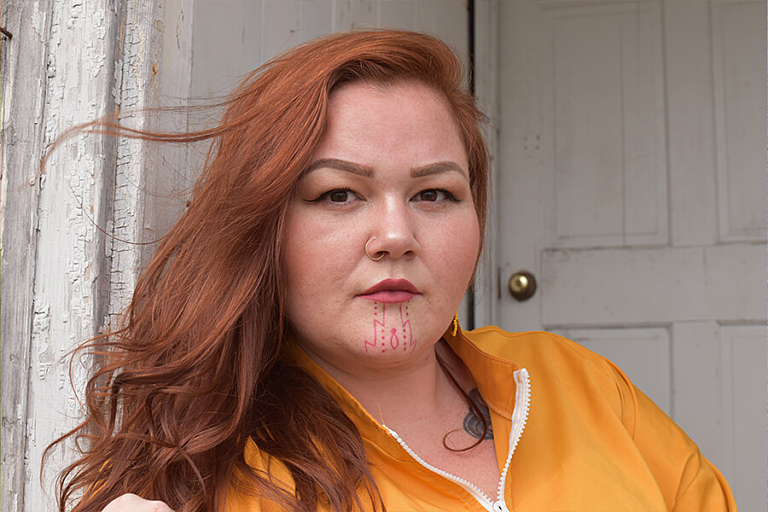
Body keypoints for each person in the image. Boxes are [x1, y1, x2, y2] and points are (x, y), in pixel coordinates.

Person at [47, 30, 736, 512]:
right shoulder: (214, 478)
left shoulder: (575, 381)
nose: (397, 236)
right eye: (338, 194)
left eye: (435, 194)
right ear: (265, 229)